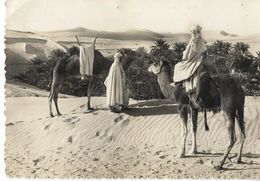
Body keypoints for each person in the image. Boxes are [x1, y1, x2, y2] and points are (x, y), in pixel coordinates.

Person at [173, 25, 207, 107]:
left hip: (195, 60)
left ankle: (179, 83)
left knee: (178, 66)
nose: (192, 33)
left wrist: (185, 58)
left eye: (193, 32)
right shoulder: (200, 40)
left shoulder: (194, 41)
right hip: (197, 58)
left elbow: (189, 54)